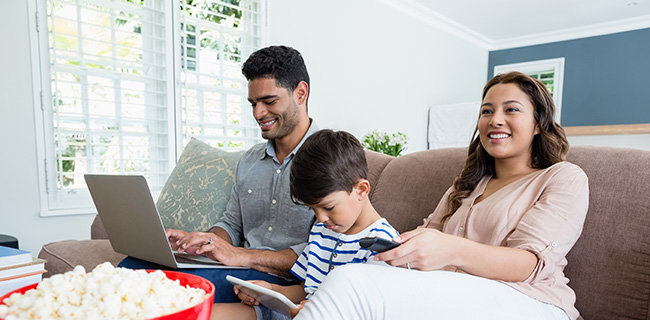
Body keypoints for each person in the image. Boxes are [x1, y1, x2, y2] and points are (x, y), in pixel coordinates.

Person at [293, 72, 590, 320]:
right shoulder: (468, 183)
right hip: (457, 296)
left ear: (538, 122)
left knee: (349, 281)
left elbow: (530, 264)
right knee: (350, 280)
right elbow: (430, 234)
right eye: (487, 111)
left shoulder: (563, 177)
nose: (495, 119)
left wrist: (452, 249)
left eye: (510, 109)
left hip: (533, 301)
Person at [118, 45, 319, 302]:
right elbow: (232, 224)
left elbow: (325, 252)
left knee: (172, 287)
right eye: (253, 104)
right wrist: (207, 242)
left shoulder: (329, 158)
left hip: (283, 280)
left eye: (269, 102)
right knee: (129, 266)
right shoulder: (250, 161)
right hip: (238, 268)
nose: (258, 114)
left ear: (300, 93)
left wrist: (241, 256)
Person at [210, 129, 400, 320]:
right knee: (210, 314)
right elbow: (303, 291)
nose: (321, 218)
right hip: (295, 313)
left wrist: (321, 311)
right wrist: (270, 291)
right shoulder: (322, 231)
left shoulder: (383, 245)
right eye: (313, 209)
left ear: (361, 190)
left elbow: (372, 311)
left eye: (329, 207)